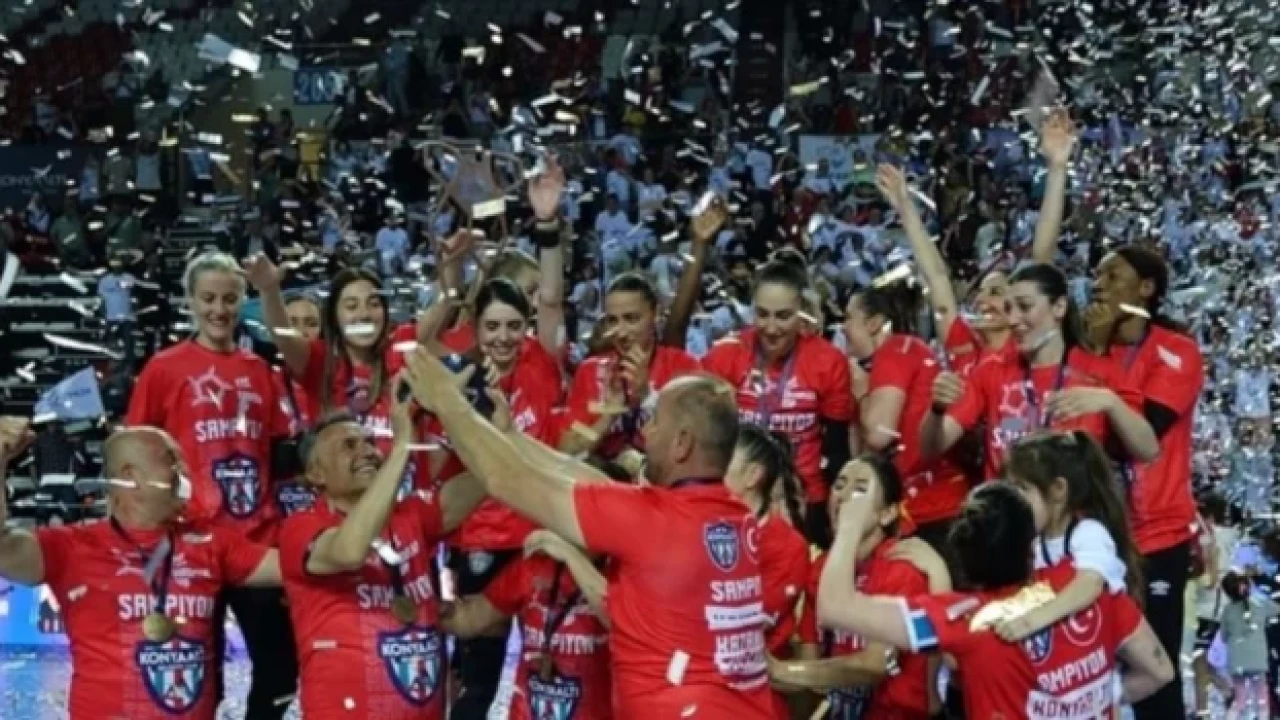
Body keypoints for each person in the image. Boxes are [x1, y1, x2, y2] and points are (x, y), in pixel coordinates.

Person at [405, 349, 774, 717]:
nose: (645, 431)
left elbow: (505, 479)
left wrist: (446, 401)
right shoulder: (735, 518)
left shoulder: (653, 521)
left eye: (655, 422)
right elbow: (589, 482)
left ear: (682, 444)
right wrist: (512, 436)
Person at [816, 478, 1175, 717]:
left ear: (964, 560)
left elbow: (834, 607)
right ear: (1030, 545)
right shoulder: (1087, 587)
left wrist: (849, 527)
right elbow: (1158, 671)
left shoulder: (967, 619)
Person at [0, 419, 281, 720]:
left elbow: (298, 565)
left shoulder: (210, 542)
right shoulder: (70, 548)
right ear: (130, 477)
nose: (184, 472)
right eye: (171, 461)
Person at [125, 251, 297, 718]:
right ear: (190, 301)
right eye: (208, 299)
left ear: (242, 300)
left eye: (229, 299)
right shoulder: (163, 368)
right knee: (201, 676)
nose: (219, 310)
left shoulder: (261, 372)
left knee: (281, 671)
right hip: (190, 544)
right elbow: (134, 452)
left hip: (256, 542)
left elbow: (282, 454)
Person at [278, 380, 486, 719]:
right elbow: (350, 551)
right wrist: (402, 447)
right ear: (316, 473)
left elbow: (487, 479)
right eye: (349, 446)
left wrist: (472, 418)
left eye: (371, 443)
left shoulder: (410, 515)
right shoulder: (300, 528)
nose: (368, 452)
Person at [428, 277, 565, 718]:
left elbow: (551, 299)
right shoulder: (459, 380)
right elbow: (433, 468)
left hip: (540, 538)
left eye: (513, 326)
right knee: (478, 678)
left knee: (552, 668)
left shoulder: (541, 363)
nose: (503, 337)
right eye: (492, 327)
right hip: (481, 542)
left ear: (527, 326)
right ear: (475, 328)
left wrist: (549, 237)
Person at [1085, 244, 1206, 720]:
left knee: (1156, 675)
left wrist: (1098, 359)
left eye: (1113, 276)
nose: (1098, 286)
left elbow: (1138, 438)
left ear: (1147, 288)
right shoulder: (1084, 348)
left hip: (1156, 535)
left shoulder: (1177, 351)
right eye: (1097, 276)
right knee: (1087, 666)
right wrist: (1095, 352)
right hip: (1092, 534)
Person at [920, 262, 1160, 478]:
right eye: (1009, 308)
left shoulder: (1100, 371)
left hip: (1075, 511)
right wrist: (937, 409)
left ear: (1059, 307)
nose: (1013, 319)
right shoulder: (991, 371)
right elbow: (931, 448)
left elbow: (1148, 450)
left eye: (1024, 307)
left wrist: (1111, 403)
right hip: (1010, 511)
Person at [774, 454, 942, 720]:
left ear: (887, 514)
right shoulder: (822, 568)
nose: (844, 496)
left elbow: (876, 665)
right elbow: (810, 667)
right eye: (840, 485)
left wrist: (782, 671)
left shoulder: (901, 568)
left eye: (860, 489)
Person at [703, 258, 855, 542]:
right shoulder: (725, 355)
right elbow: (709, 439)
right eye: (762, 314)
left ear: (801, 313)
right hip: (739, 496)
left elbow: (836, 447)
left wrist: (835, 512)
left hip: (805, 499)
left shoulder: (828, 360)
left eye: (783, 316)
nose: (771, 328)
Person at [844, 277, 968, 549]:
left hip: (929, 508)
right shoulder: (902, 353)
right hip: (931, 504)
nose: (842, 327)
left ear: (874, 323)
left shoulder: (895, 349)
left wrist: (861, 393)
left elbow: (878, 435)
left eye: (849, 318)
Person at [994, 431, 1140, 643]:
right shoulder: (1033, 544)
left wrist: (1028, 623)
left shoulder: (1088, 532)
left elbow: (1089, 584)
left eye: (1022, 489)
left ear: (1058, 490)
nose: (1013, 501)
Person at [560, 272, 702, 463]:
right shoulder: (591, 371)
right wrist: (608, 417)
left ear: (656, 314)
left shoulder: (682, 367)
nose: (621, 332)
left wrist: (647, 397)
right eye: (613, 320)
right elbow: (568, 451)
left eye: (631, 319)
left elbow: (690, 448)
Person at [724, 424, 810, 717]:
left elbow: (741, 626)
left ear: (752, 476)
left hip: (754, 697)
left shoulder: (787, 547)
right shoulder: (703, 524)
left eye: (723, 458)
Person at [1219, 570, 1276, 720]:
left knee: (1239, 700)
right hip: (1258, 660)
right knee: (1262, 699)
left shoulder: (1227, 611)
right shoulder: (1260, 604)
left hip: (1237, 661)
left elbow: (1223, 637)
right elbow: (1277, 609)